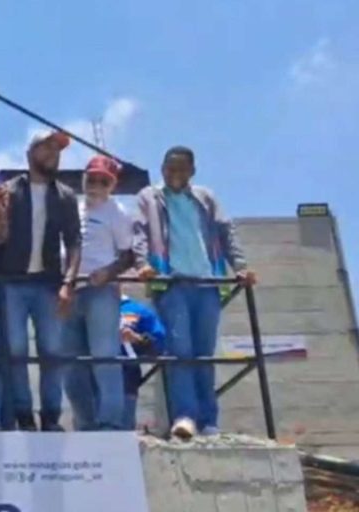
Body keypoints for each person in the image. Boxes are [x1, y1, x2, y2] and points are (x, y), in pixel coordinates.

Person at [133, 146, 256, 439]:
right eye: (170, 168)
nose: (175, 174)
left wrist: (239, 266)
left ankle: (209, 420)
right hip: (171, 283)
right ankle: (185, 416)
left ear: (192, 171)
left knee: (204, 354)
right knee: (180, 352)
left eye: (181, 169)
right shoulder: (149, 197)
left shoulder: (206, 198)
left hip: (208, 283)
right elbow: (138, 232)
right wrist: (143, 264)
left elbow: (227, 232)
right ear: (162, 169)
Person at [0, 129, 82, 432]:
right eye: (47, 148)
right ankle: (23, 415)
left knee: (52, 351)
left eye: (57, 150)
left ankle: (52, 416)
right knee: (15, 351)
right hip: (12, 282)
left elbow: (73, 243)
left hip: (49, 283)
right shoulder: (9, 190)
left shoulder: (66, 196)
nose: (53, 154)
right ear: (30, 153)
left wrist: (68, 282)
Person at [62, 155, 135, 431]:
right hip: (69, 289)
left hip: (100, 290)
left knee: (104, 356)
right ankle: (85, 422)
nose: (95, 185)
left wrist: (108, 273)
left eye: (103, 181)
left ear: (112, 185)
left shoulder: (117, 213)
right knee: (70, 363)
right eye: (91, 179)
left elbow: (129, 255)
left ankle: (110, 421)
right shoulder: (71, 207)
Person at [119, 292, 166, 431]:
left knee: (124, 429)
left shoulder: (137, 310)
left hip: (126, 380)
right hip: (92, 382)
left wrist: (138, 339)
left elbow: (160, 344)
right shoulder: (81, 306)